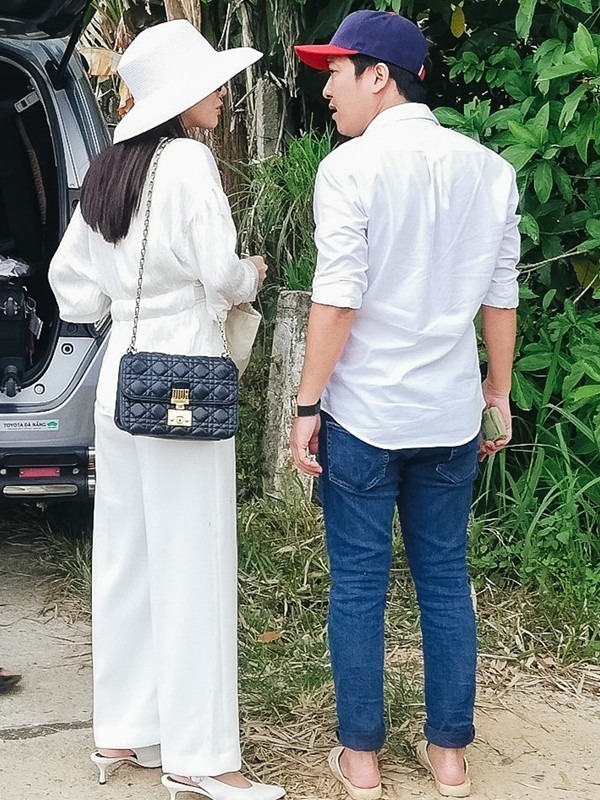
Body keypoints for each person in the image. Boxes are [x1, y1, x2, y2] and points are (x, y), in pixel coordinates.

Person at [49, 20, 284, 800]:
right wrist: (249, 273)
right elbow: (220, 270)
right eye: (212, 82)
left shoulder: (109, 168)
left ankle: (125, 729)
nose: (223, 93)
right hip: (184, 371)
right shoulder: (187, 160)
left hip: (122, 371)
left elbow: (71, 288)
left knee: (128, 556)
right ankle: (202, 756)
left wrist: (130, 299)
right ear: (181, 96)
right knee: (194, 557)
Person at [291, 10, 519, 800]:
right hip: (450, 414)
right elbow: (500, 296)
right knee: (445, 579)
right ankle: (449, 755)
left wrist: (306, 406)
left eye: (336, 72)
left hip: (364, 415)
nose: (327, 90)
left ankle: (361, 760)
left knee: (359, 585)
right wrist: (498, 393)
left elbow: (337, 301)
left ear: (379, 76)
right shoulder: (491, 170)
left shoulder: (348, 170)